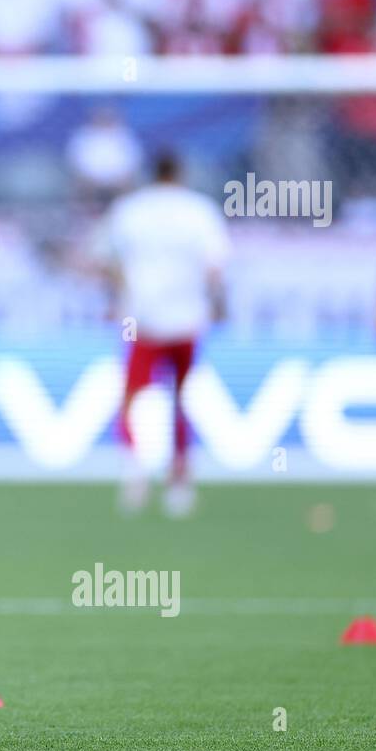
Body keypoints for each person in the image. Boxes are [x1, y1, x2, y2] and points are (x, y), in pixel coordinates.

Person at [102, 151, 228, 517]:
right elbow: (215, 267)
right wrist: (217, 304)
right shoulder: (200, 210)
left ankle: (134, 471)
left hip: (142, 319)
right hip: (187, 318)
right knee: (182, 399)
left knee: (132, 397)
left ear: (151, 173)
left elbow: (110, 262)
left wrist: (120, 298)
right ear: (180, 173)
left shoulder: (130, 210)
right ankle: (179, 482)